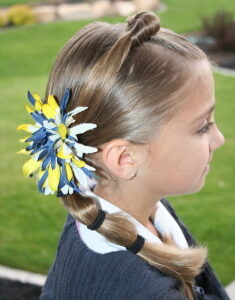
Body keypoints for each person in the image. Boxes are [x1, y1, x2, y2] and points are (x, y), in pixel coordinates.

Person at [17, 11, 230, 300]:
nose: (219, 139)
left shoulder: (134, 211)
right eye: (203, 126)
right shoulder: (141, 290)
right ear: (125, 159)